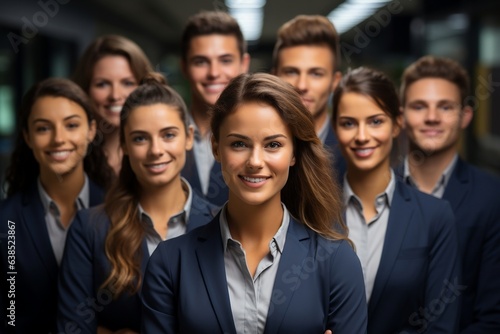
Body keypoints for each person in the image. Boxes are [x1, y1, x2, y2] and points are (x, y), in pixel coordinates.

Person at [141, 73, 367, 333]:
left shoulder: (337, 261)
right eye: (239, 144)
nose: (255, 161)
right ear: (216, 147)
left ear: (294, 151)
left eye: (273, 144)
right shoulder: (170, 263)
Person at [57, 74, 217, 334]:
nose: (156, 150)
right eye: (140, 138)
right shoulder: (89, 229)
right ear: (125, 145)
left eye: (168, 135)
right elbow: (72, 327)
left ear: (188, 137)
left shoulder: (221, 222)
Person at [332, 67, 461, 333]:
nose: (362, 136)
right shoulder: (308, 211)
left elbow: (441, 326)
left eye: (376, 121)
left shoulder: (434, 217)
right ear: (335, 127)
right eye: (348, 123)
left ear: (397, 123)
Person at [0, 78, 111, 334]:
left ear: (91, 130)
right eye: (43, 128)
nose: (58, 139)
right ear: (27, 137)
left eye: (72, 125)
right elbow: (9, 315)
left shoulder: (122, 211)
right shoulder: (6, 220)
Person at [398, 55, 500, 333]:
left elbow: (493, 317)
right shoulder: (373, 190)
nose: (432, 117)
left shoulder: (492, 199)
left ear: (465, 115)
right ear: (401, 115)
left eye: (445, 107)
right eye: (419, 106)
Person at [180, 11, 250, 206]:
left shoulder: (264, 135)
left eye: (225, 60)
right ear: (184, 67)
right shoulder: (165, 136)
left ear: (244, 64)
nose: (214, 73)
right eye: (200, 62)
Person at [272, 15, 346, 184]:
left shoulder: (351, 151)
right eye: (291, 72)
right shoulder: (254, 148)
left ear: (335, 82)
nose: (302, 85)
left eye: (316, 74)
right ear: (274, 76)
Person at [73, 34, 154, 175]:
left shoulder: (162, 153)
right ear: (85, 89)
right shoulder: (70, 155)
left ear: (144, 87)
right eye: (102, 84)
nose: (115, 96)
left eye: (127, 83)